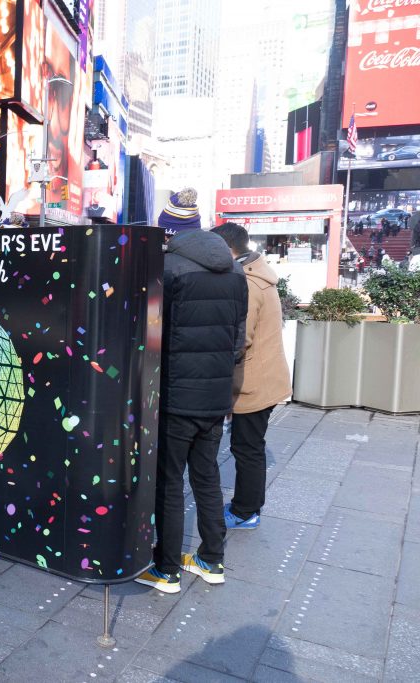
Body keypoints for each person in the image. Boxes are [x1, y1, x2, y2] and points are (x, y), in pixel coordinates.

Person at [136, 189, 248, 594]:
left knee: (168, 482)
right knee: (207, 476)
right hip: (215, 396)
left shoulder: (169, 270)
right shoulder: (236, 272)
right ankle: (211, 559)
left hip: (177, 395)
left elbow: (152, 337)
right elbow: (238, 341)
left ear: (169, 232)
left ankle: (165, 569)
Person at [211, 223, 291, 531]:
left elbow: (239, 339)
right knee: (249, 445)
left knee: (247, 448)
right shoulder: (257, 275)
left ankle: (246, 510)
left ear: (227, 249)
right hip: (263, 376)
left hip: (255, 382)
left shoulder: (247, 284)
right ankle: (247, 506)